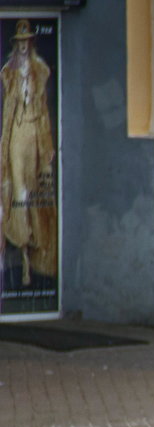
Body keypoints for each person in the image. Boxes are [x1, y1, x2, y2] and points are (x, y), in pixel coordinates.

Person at [1, 18, 56, 289]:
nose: (23, 46)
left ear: (31, 43)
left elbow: (44, 112)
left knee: (34, 194)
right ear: (16, 44)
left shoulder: (41, 70)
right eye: (19, 42)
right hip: (16, 135)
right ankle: (22, 256)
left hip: (34, 132)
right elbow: (8, 113)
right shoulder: (7, 73)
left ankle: (37, 255)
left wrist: (47, 145)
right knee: (19, 191)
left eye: (27, 41)